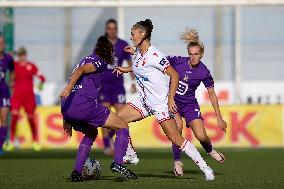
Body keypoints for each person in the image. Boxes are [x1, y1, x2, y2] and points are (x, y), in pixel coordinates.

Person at [113, 19, 215, 180]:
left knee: (177, 140)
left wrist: (170, 100)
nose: (131, 37)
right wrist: (127, 68)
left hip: (160, 104)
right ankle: (131, 155)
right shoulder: (139, 52)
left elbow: (174, 75)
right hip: (144, 102)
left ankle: (206, 168)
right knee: (116, 120)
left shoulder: (155, 55)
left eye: (133, 34)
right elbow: (142, 67)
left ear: (143, 34)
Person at [60, 36, 137, 182]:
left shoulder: (84, 59)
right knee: (122, 126)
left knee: (91, 132)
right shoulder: (99, 61)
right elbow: (82, 71)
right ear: (107, 51)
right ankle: (118, 163)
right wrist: (69, 87)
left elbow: (75, 81)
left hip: (68, 107)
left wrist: (66, 119)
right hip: (84, 105)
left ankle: (76, 172)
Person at [167, 29, 228, 176]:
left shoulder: (204, 71)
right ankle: (177, 161)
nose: (193, 57)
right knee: (178, 127)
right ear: (188, 53)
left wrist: (219, 117)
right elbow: (156, 59)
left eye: (196, 54)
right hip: (173, 102)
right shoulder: (178, 61)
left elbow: (212, 94)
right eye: (191, 54)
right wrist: (136, 54)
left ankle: (210, 150)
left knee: (201, 136)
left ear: (201, 54)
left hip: (190, 105)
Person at [99, 19, 137, 160]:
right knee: (104, 116)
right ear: (106, 29)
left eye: (114, 28)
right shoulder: (102, 44)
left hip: (118, 86)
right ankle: (107, 145)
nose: (112, 30)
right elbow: (95, 62)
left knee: (122, 116)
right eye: (109, 28)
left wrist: (133, 81)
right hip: (104, 86)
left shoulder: (122, 45)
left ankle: (119, 142)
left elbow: (130, 63)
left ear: (116, 29)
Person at [6, 47, 45, 151]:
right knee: (14, 116)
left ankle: (35, 141)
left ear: (25, 55)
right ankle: (11, 141)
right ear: (18, 55)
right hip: (17, 96)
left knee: (30, 118)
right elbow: (6, 60)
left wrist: (41, 84)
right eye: (19, 55)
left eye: (23, 54)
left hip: (29, 97)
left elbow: (41, 77)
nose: (21, 56)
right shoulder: (14, 65)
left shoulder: (31, 66)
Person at [0, 36, 14, 155]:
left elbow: (12, 70)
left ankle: (0, 146)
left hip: (3, 90)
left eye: (2, 42)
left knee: (4, 119)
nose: (2, 44)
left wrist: (12, 81)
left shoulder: (8, 58)